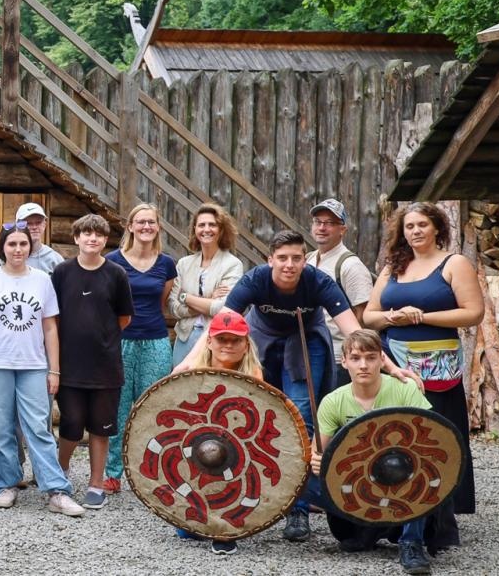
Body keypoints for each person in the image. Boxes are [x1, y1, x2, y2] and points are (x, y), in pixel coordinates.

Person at [178, 228, 419, 543]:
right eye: (282, 258)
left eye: (296, 258)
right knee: (261, 416)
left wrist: (390, 366)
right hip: (263, 340)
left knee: (302, 416)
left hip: (305, 342)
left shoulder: (319, 282)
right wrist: (184, 366)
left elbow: (354, 332)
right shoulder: (254, 280)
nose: (289, 264)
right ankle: (253, 497)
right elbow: (219, 323)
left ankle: (298, 510)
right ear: (270, 260)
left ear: (304, 260)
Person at [361, 202, 481, 553]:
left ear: (437, 228)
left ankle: (437, 524)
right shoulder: (393, 267)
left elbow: (473, 312)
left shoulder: (454, 263)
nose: (415, 231)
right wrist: (394, 317)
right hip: (396, 364)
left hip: (439, 369)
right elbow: (370, 316)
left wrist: (422, 316)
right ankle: (395, 516)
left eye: (422, 225)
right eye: (409, 226)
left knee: (437, 441)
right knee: (396, 438)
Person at [0, 223, 86, 517]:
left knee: (38, 428)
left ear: (30, 247)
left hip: (32, 364)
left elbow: (50, 327)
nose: (18, 249)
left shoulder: (42, 280)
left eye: (23, 244)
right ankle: (7, 483)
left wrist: (54, 370)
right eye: (12, 244)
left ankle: (56, 489)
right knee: (1, 427)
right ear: (2, 248)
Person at [308, 329, 436, 574]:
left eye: (370, 357)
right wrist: (318, 460)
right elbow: (318, 454)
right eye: (355, 358)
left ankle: (411, 543)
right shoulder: (333, 401)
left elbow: (432, 441)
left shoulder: (404, 389)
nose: (363, 365)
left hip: (403, 476)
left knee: (425, 474)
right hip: (358, 483)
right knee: (304, 483)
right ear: (344, 361)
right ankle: (370, 526)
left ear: (381, 359)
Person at [51, 214, 134, 510]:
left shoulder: (116, 274)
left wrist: (100, 336)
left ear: (104, 240)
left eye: (98, 234)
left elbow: (124, 318)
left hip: (105, 366)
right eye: (86, 233)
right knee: (71, 423)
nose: (92, 239)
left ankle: (96, 483)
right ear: (76, 238)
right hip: (70, 365)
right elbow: (53, 316)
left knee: (101, 428)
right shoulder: (61, 273)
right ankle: (59, 474)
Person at [173, 309, 263, 556]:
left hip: (237, 447)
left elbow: (258, 423)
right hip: (198, 443)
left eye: (235, 340)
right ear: (209, 341)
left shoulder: (253, 376)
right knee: (186, 530)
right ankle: (199, 515)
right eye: (222, 339)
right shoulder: (192, 372)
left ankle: (225, 530)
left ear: (246, 345)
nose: (228, 345)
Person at [102, 203, 177, 494]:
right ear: (130, 226)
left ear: (158, 227)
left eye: (151, 222)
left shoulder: (166, 263)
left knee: (154, 408)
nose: (146, 227)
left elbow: (161, 302)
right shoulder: (113, 261)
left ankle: (152, 472)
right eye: (140, 222)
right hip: (121, 341)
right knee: (118, 408)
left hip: (156, 340)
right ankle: (112, 473)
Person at [308, 199, 376, 384]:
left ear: (343, 230)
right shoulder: (308, 260)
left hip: (338, 358)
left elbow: (363, 315)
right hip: (310, 354)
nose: (322, 227)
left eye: (330, 223)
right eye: (318, 221)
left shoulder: (350, 265)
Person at [167, 203, 243, 367]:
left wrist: (186, 297)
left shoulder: (232, 265)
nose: (206, 229)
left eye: (212, 224)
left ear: (221, 230)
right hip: (184, 338)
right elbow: (173, 307)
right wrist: (207, 299)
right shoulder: (184, 264)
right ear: (195, 229)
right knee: (181, 388)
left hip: (216, 340)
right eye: (201, 225)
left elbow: (222, 308)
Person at [16, 202, 64, 274]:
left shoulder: (55, 259)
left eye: (38, 222)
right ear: (18, 226)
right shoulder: (8, 257)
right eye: (29, 223)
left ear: (44, 225)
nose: (34, 227)